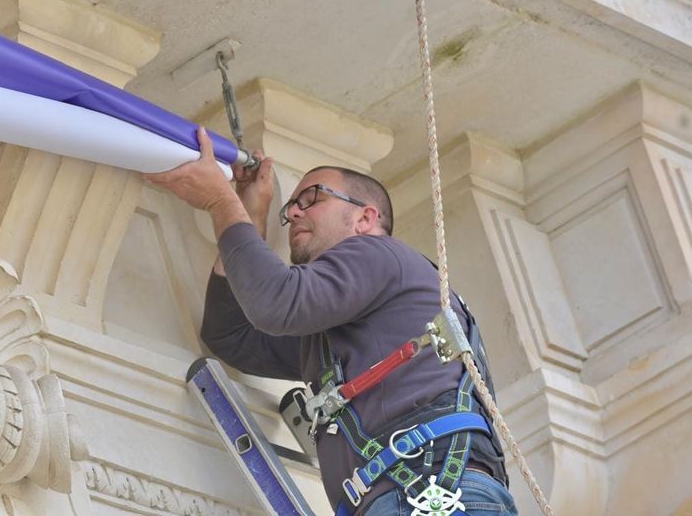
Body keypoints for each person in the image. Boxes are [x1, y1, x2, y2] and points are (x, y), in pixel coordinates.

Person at [144, 128, 518, 516]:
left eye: (312, 198)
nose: (293, 212)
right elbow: (233, 336)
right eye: (290, 208)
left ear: (365, 218)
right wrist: (248, 216)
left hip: (431, 494)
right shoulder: (348, 327)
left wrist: (221, 202)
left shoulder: (378, 254)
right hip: (419, 497)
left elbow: (277, 302)